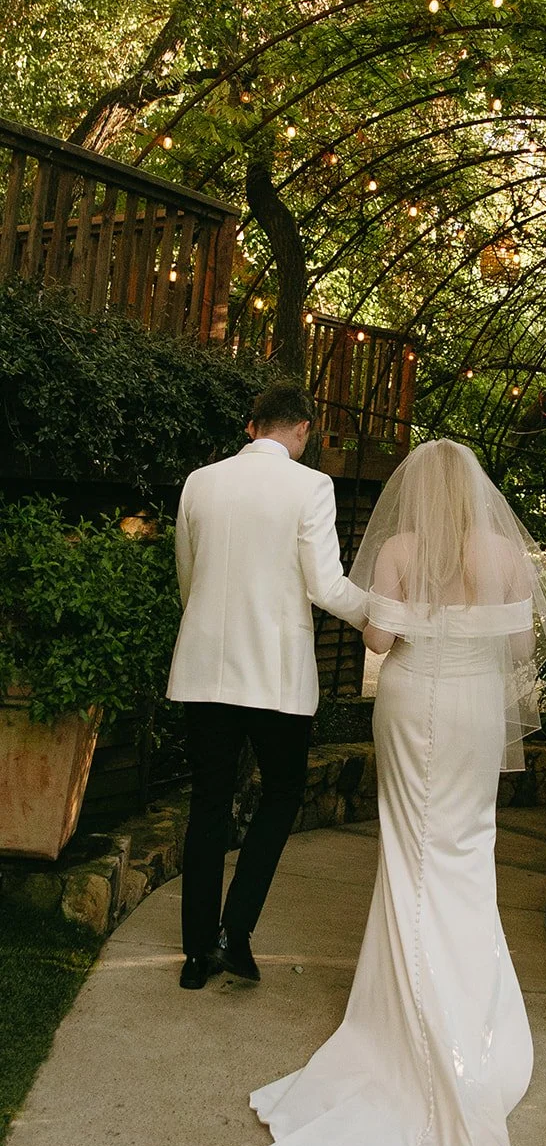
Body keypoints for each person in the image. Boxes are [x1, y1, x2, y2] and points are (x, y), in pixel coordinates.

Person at [249, 438, 546, 1146]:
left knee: (408, 851)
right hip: (473, 712)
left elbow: (379, 642)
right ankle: (473, 1019)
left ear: (413, 491)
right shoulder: (504, 553)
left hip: (411, 698)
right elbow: (524, 647)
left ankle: (407, 1019)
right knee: (466, 851)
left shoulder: (398, 548)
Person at [167, 379, 368, 991]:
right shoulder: (312, 486)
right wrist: (387, 614)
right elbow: (327, 587)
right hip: (276, 682)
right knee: (282, 795)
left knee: (207, 804)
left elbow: (188, 576)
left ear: (252, 425)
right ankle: (236, 932)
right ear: (303, 429)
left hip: (204, 671)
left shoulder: (201, 482)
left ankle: (197, 954)